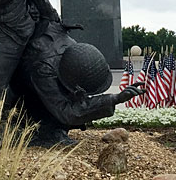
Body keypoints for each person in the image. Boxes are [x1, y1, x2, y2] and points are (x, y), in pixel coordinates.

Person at [12, 19, 144, 146]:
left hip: (39, 66)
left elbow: (78, 101)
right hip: (15, 85)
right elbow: (66, 111)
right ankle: (44, 132)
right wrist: (114, 99)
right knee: (53, 108)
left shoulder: (71, 49)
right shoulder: (43, 69)